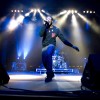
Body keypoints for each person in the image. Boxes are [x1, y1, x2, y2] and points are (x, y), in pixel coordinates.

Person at [39, 16, 79, 82]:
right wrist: (44, 25)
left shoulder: (56, 29)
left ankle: (49, 75)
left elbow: (64, 40)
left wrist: (72, 46)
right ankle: (51, 73)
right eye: (46, 19)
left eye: (49, 19)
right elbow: (40, 34)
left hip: (51, 45)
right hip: (44, 47)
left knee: (49, 54)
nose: (47, 20)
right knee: (44, 62)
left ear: (52, 20)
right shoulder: (44, 28)